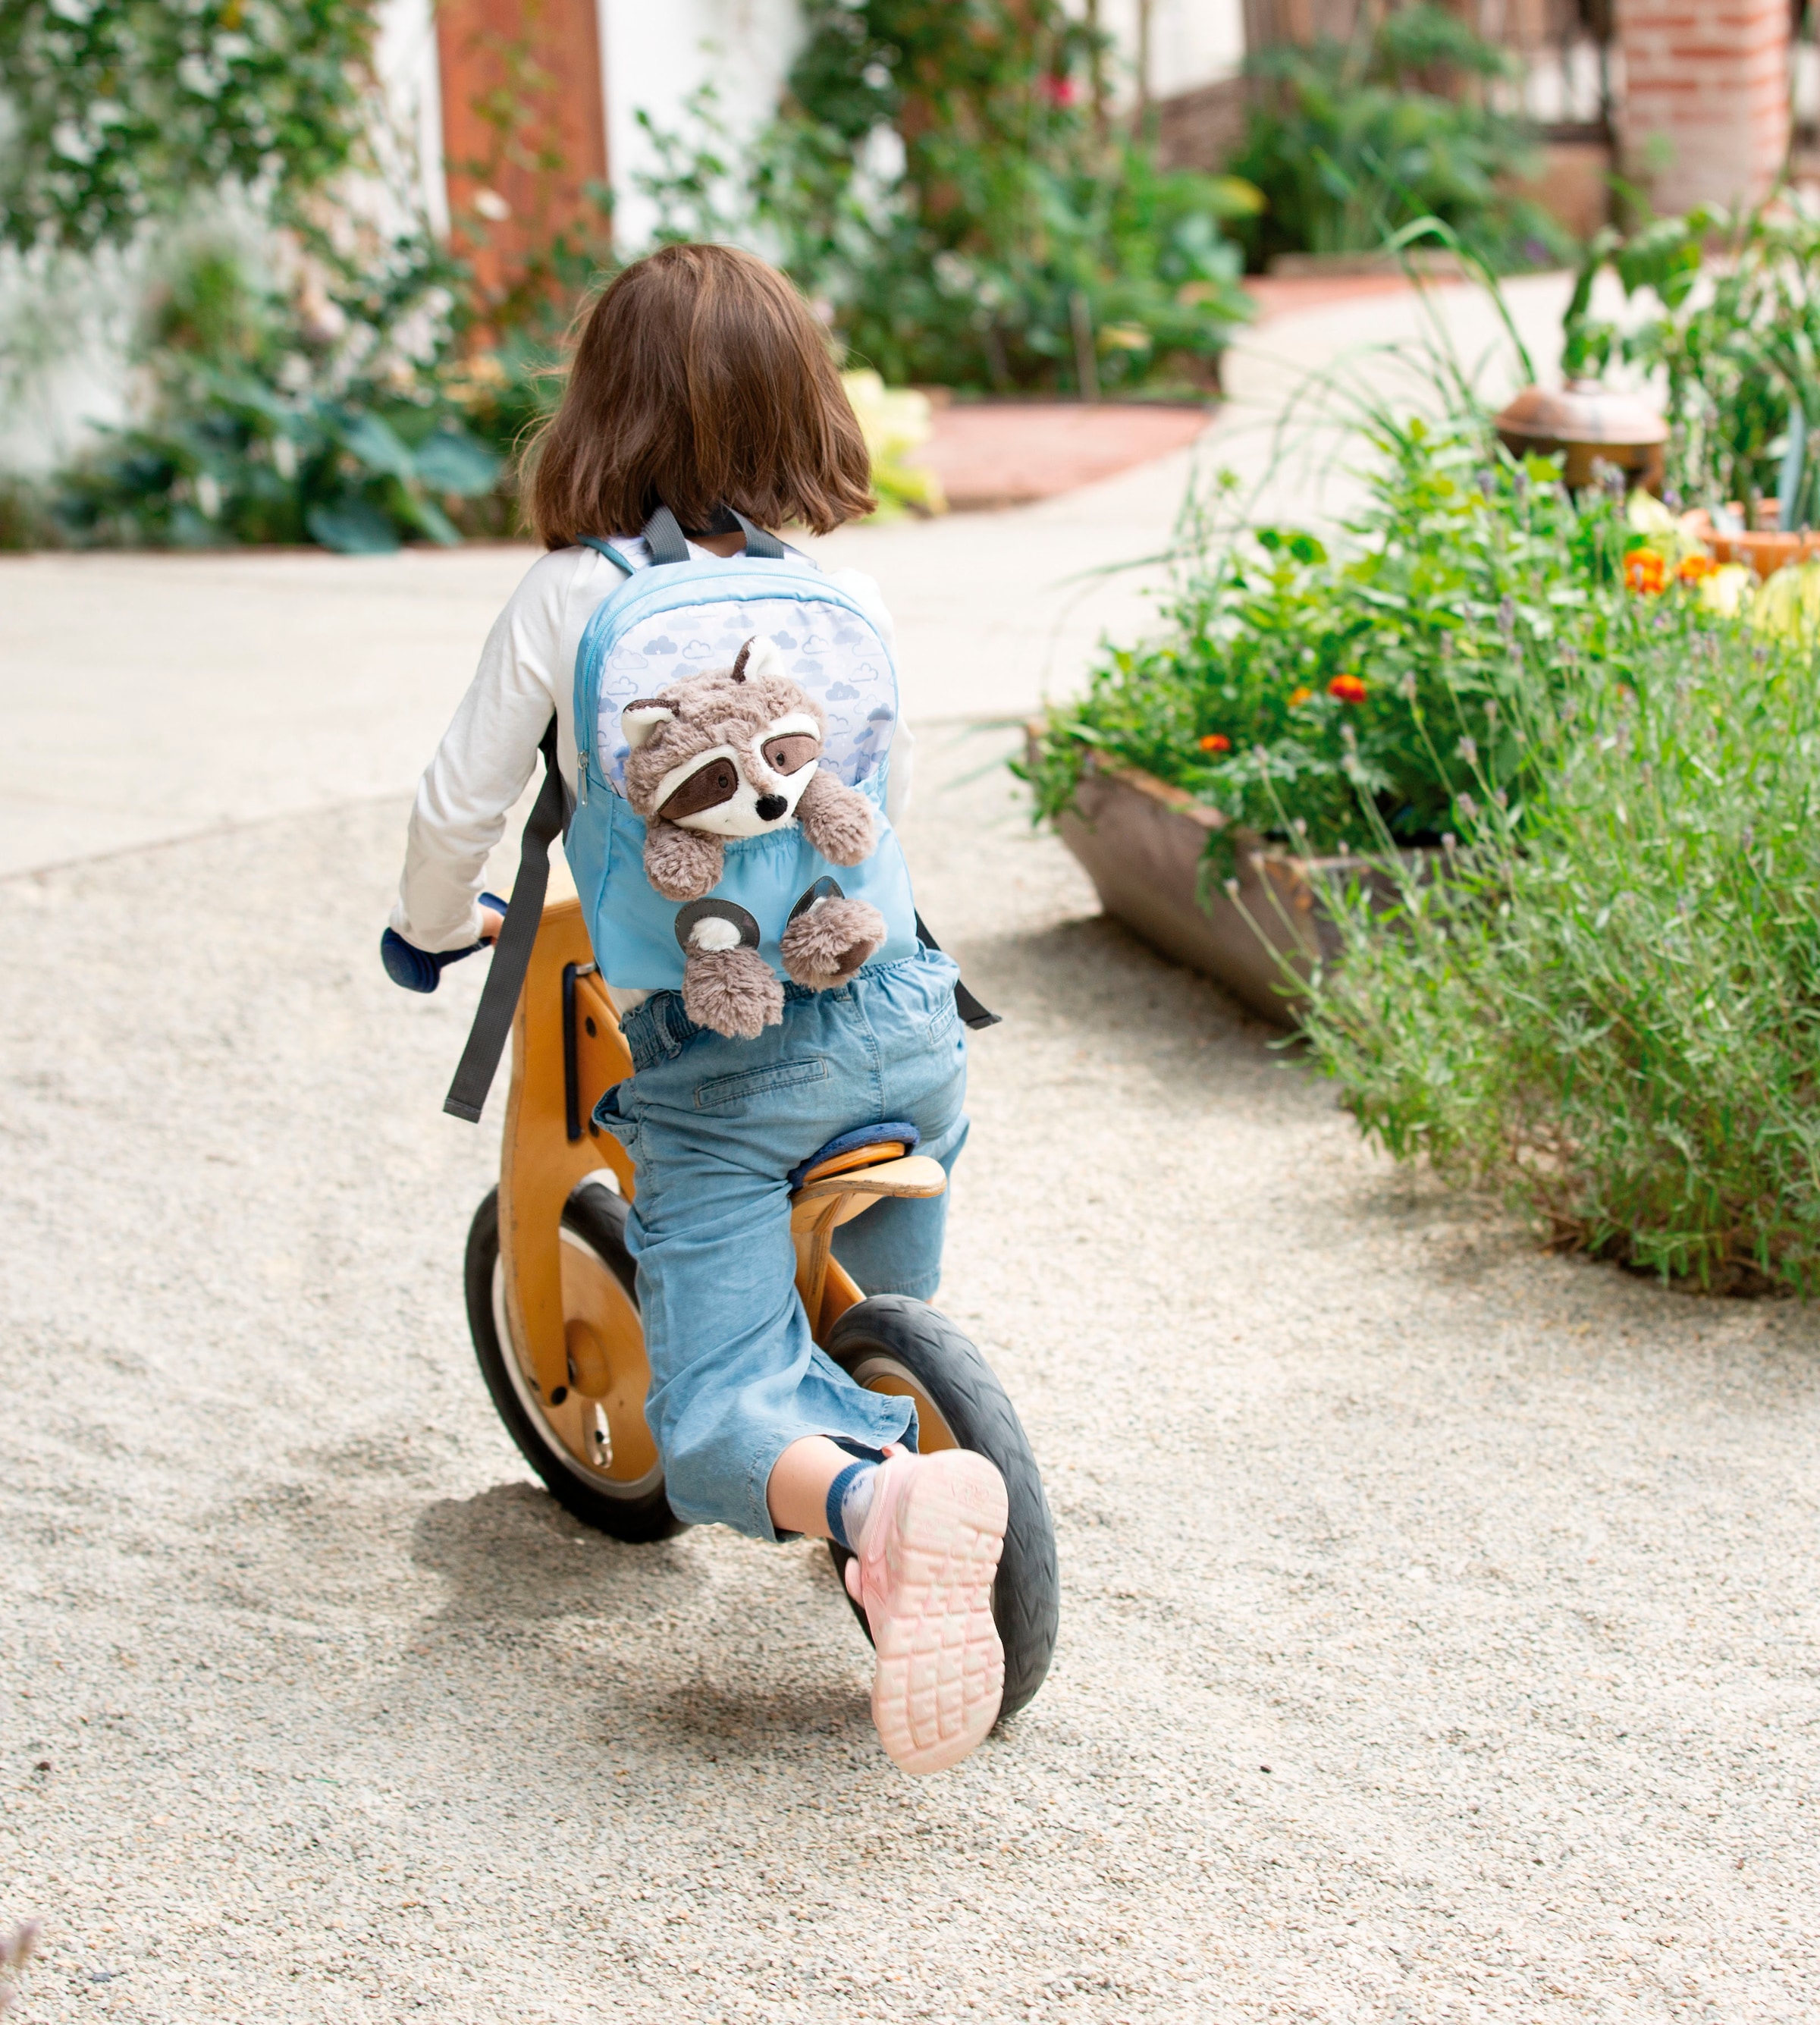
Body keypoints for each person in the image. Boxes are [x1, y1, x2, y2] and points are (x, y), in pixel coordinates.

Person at [387, 243, 1007, 1775]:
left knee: (717, 1413)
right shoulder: (841, 592)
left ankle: (874, 1504)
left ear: (598, 413)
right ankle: (893, 1414)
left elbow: (460, 797)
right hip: (906, 1018)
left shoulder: (569, 594)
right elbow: (893, 801)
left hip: (721, 1060)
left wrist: (422, 931)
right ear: (805, 407)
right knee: (867, 1302)